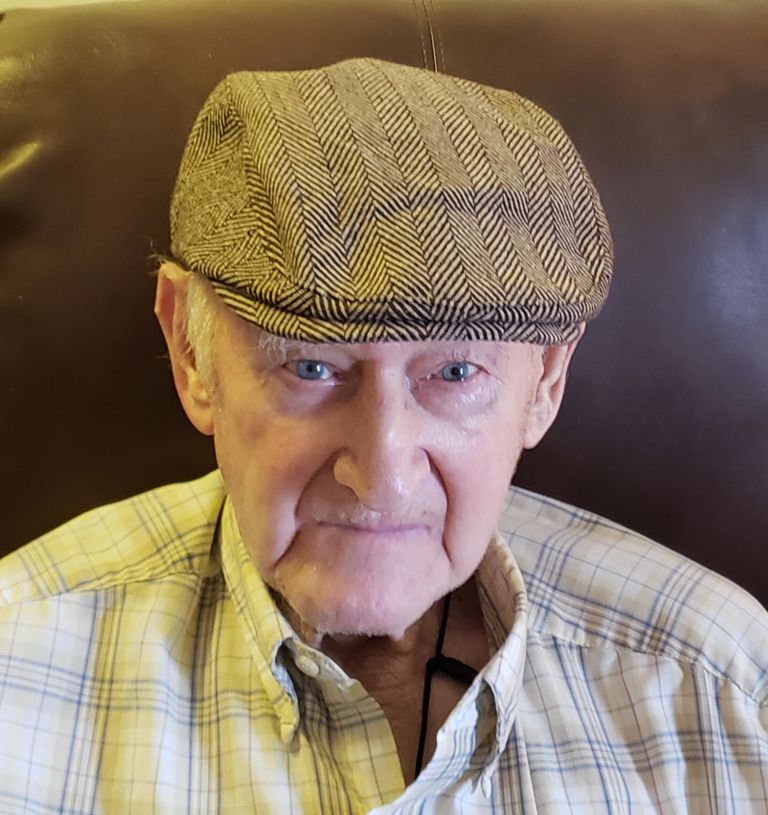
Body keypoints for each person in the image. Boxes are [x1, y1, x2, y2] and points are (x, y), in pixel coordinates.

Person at [0, 58, 765, 814]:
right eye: (309, 365)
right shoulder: (18, 661)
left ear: (546, 380)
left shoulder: (726, 690)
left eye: (456, 372)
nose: (383, 476)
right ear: (190, 351)